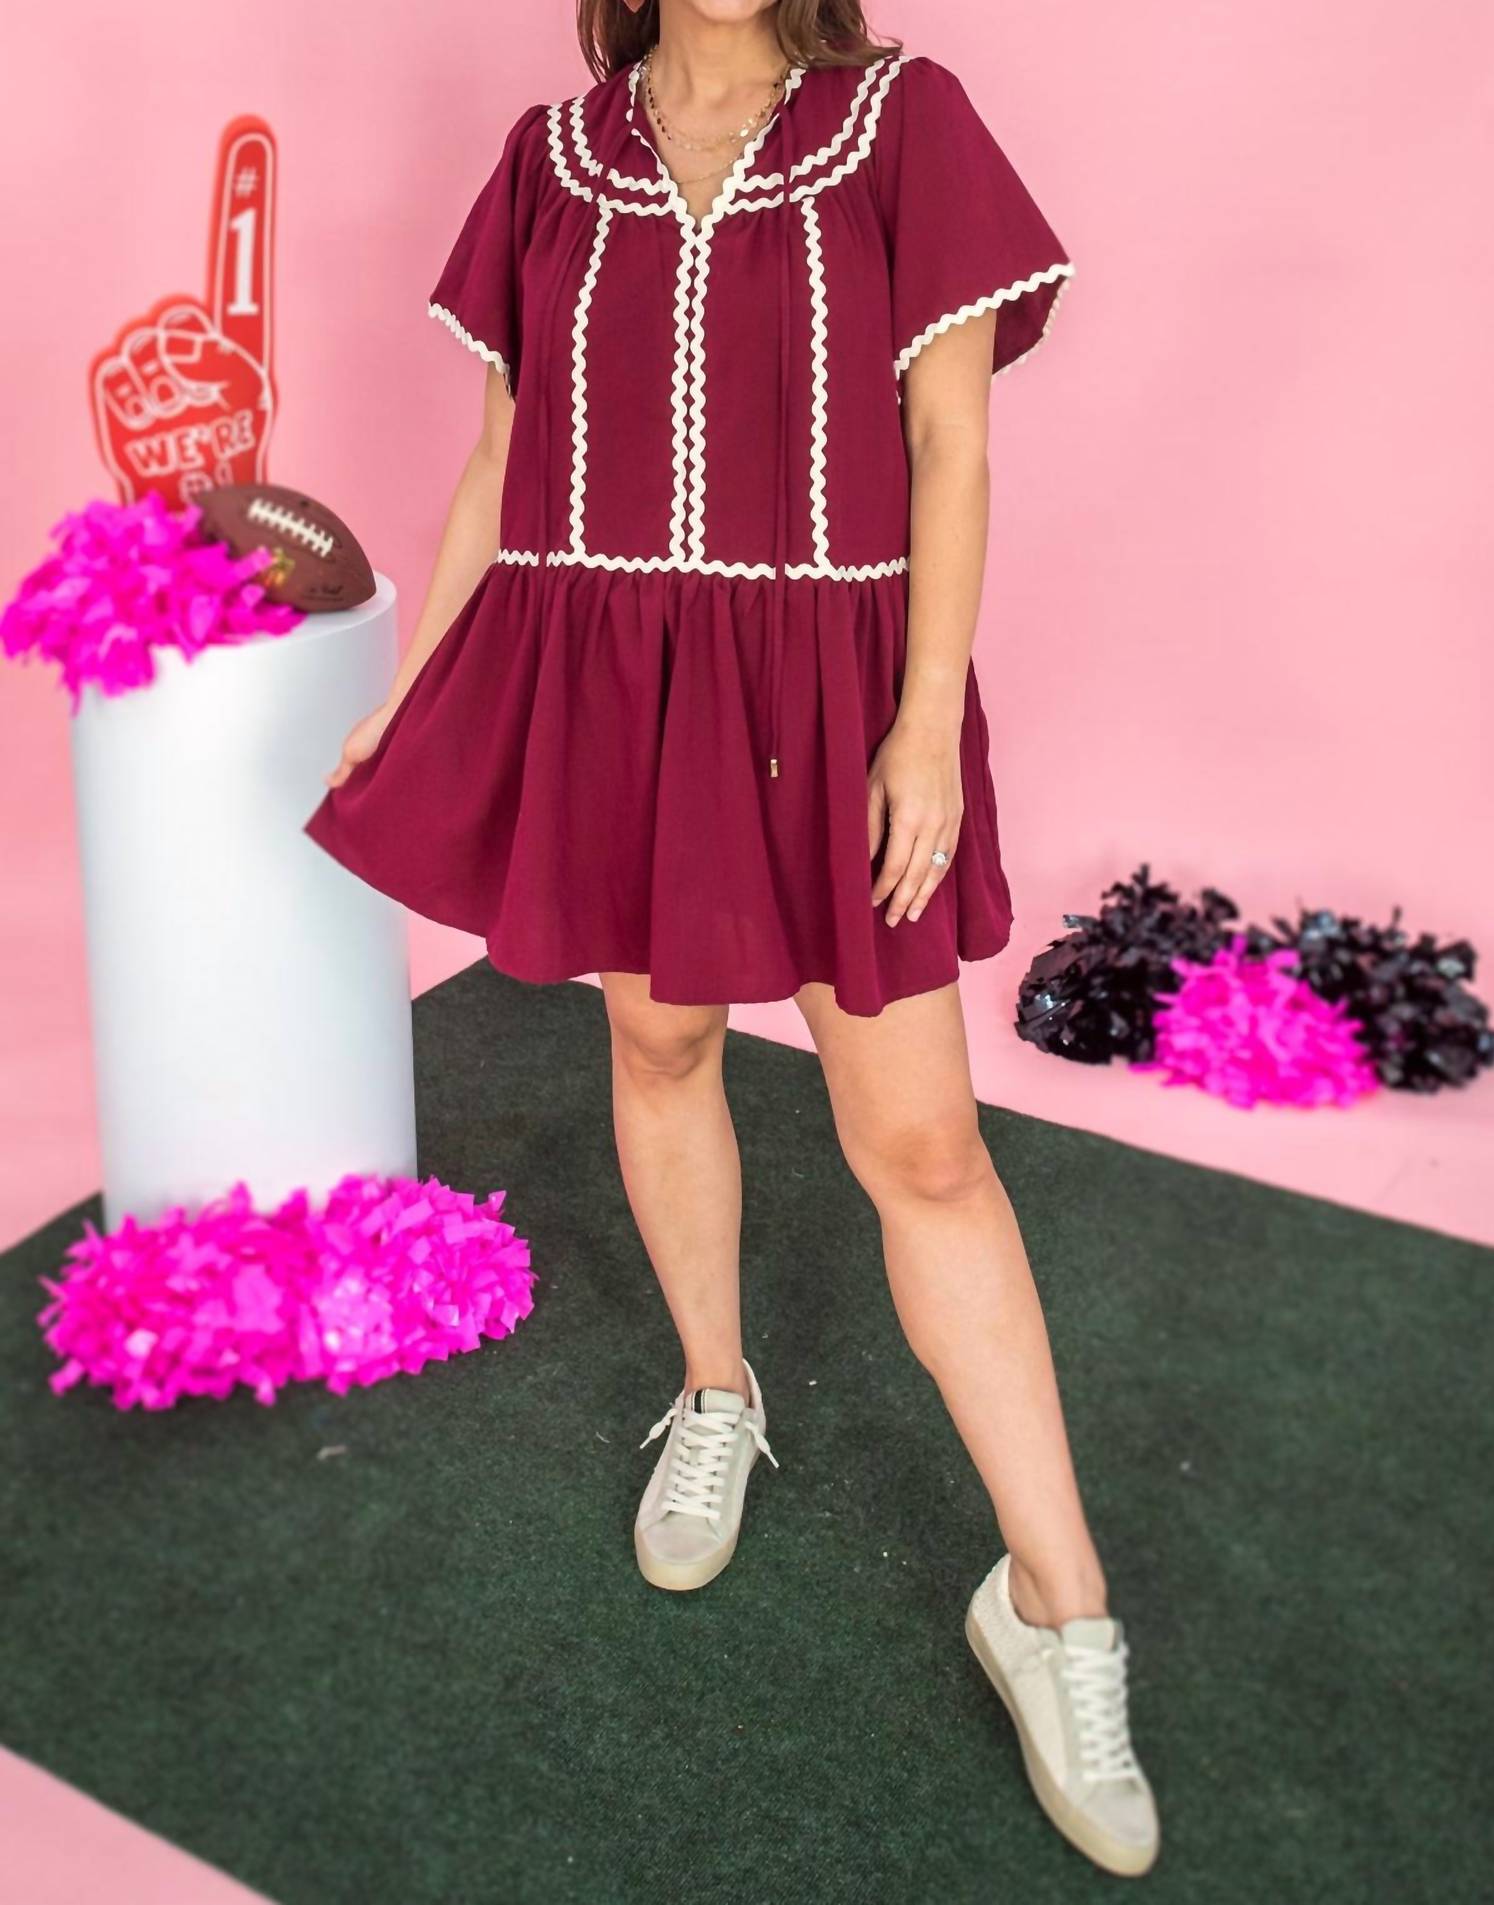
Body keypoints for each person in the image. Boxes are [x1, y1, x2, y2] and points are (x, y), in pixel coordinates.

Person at [303, 0, 1157, 1876]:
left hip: (838, 686)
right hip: (618, 687)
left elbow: (952, 443)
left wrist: (921, 720)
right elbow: (501, 459)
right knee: (660, 1041)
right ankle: (715, 1388)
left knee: (922, 1149)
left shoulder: (904, 121)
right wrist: (420, 688)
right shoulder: (553, 157)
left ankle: (1055, 1601)